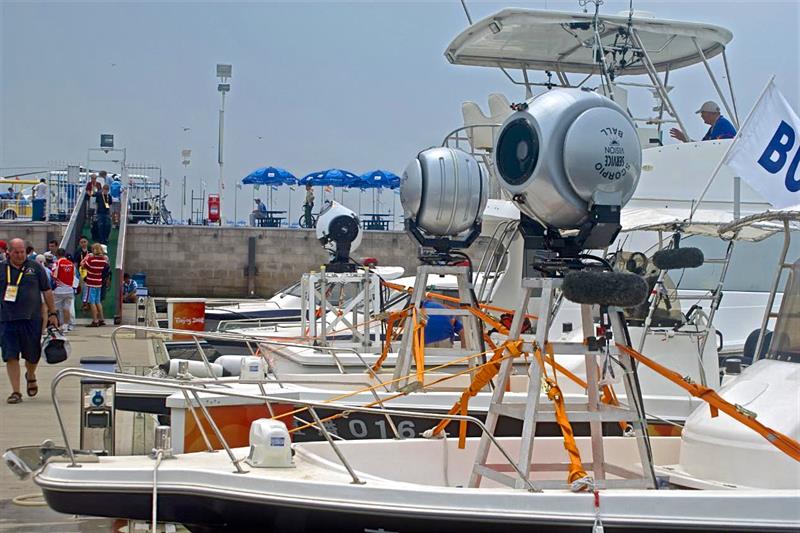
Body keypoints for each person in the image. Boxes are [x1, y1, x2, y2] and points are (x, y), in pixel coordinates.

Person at [2, 238, 59, 404]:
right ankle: (16, 391)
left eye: (22, 252)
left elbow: (47, 291)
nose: (20, 255)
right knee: (10, 355)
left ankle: (31, 374)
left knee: (32, 356)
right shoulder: (1, 268)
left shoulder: (35, 268)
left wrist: (53, 313)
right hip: (7, 319)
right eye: (16, 252)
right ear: (9, 252)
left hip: (31, 319)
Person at [670, 101, 737, 143]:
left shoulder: (721, 125)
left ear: (711, 113)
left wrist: (685, 139)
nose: (701, 116)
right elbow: (702, 145)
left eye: (703, 113)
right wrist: (685, 139)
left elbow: (708, 147)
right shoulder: (716, 125)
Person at [80, 243, 108, 327]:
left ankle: (95, 320)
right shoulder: (103, 259)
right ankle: (101, 319)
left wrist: (87, 257)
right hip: (98, 282)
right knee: (98, 301)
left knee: (92, 302)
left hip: (91, 282)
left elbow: (83, 265)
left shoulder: (91, 259)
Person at [52, 248, 76, 332]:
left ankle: (58, 324)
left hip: (59, 289)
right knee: (67, 308)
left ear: (57, 255)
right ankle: (66, 326)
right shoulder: (71, 264)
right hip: (69, 289)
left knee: (56, 309)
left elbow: (54, 275)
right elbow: (73, 275)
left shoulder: (57, 263)